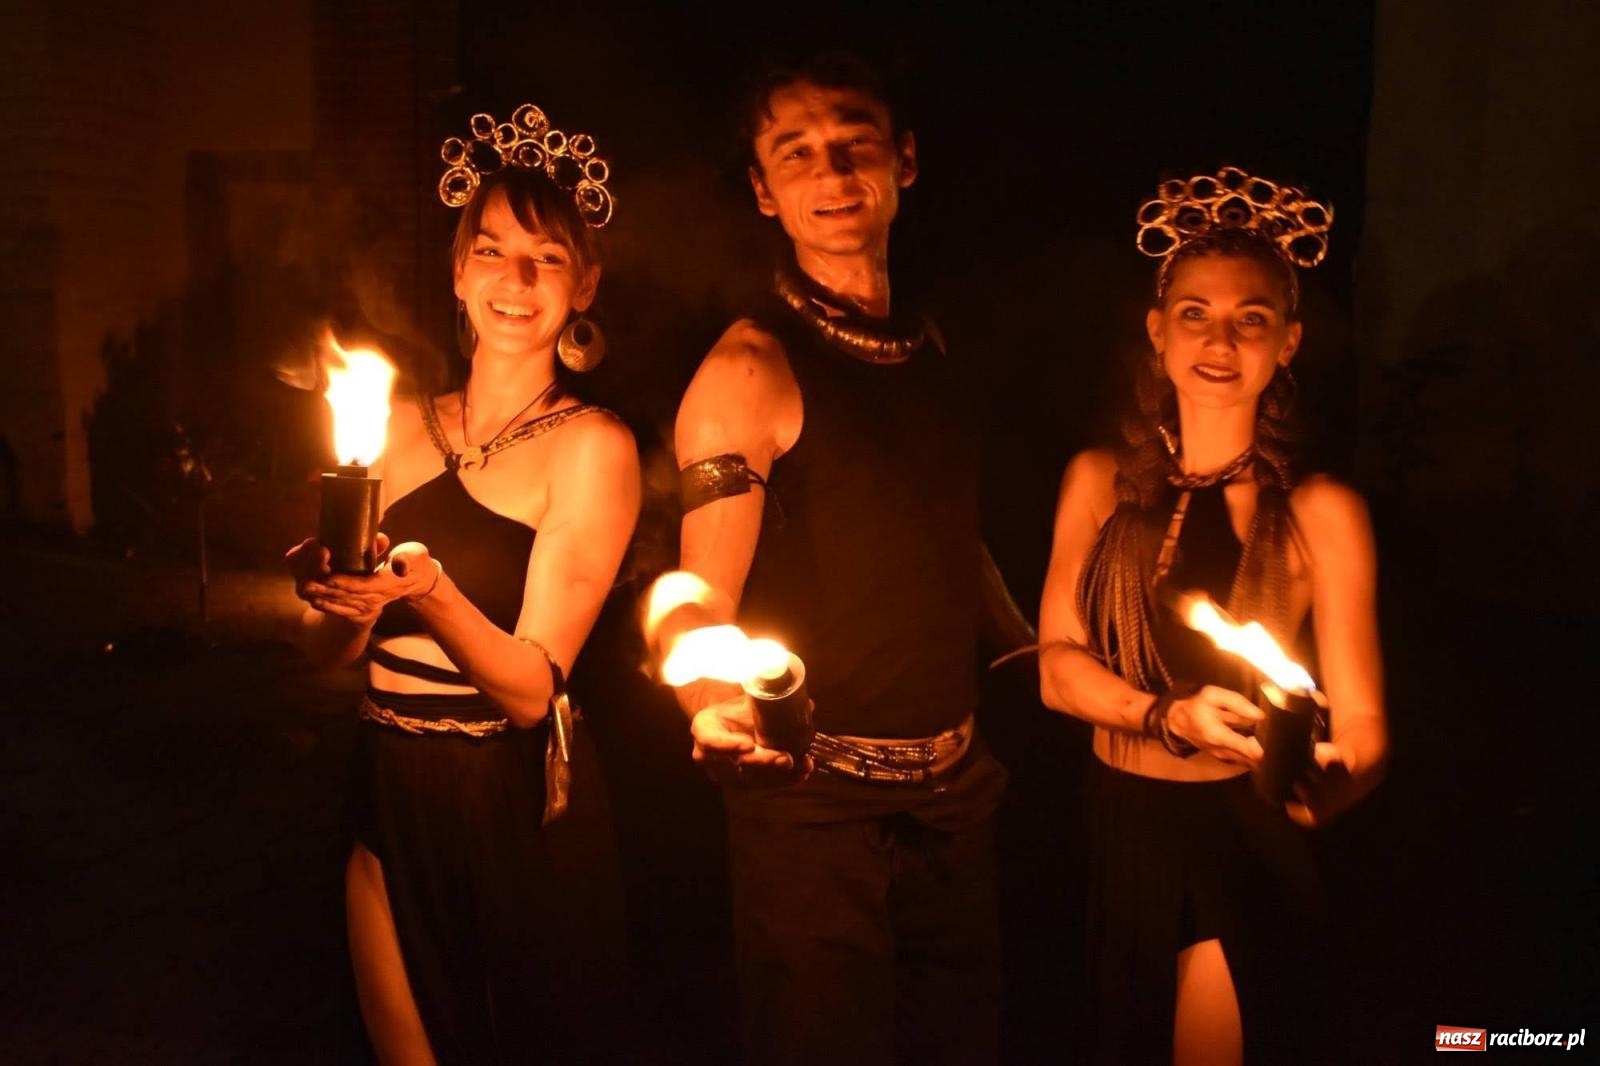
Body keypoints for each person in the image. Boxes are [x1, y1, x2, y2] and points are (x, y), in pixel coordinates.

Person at [653, 53, 1026, 1066]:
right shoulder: (747, 368)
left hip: (956, 801)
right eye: (796, 152)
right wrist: (708, 705)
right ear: (762, 190)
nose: (832, 170)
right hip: (815, 815)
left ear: (904, 160)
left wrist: (1044, 653)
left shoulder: (936, 348)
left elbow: (941, 539)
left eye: (854, 141)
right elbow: (694, 598)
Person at [286, 103, 640, 1064]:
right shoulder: (393, 428)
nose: (515, 281)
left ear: (585, 286)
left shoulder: (594, 446)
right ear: (456, 270)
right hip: (385, 777)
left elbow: (531, 693)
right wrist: (339, 605)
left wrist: (430, 593)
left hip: (508, 804)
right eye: (491, 250)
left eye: (547, 258)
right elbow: (326, 657)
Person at [1037, 167, 1389, 1065]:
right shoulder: (1095, 486)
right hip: (1119, 828)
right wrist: (1164, 716)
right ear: (1157, 332)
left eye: (1252, 318)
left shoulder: (1319, 512)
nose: (1220, 339)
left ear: (1290, 342)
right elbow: (1055, 667)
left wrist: (1333, 785)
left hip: (1244, 837)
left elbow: (1363, 722)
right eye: (1195, 313)